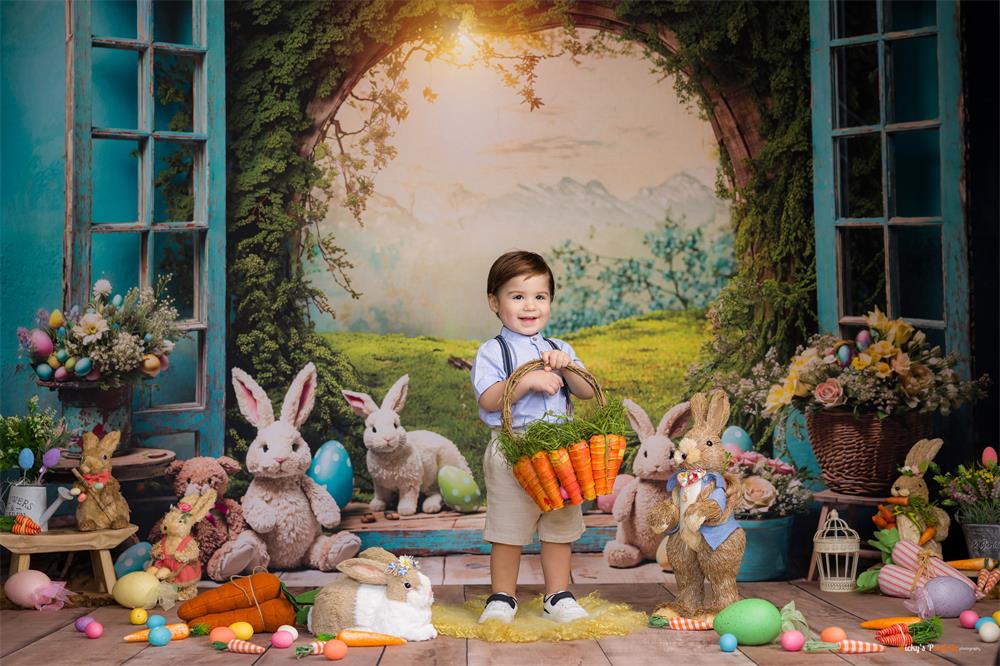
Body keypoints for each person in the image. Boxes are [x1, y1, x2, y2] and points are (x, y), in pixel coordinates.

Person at [470, 250, 596, 624]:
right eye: (517, 296)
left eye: (539, 297)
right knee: (508, 527)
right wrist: (523, 382)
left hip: (559, 451)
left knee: (559, 526)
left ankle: (557, 595)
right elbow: (489, 399)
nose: (530, 306)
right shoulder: (494, 351)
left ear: (550, 303)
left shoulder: (560, 349)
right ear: (495, 302)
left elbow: (586, 391)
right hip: (514, 447)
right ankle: (502, 597)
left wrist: (568, 368)